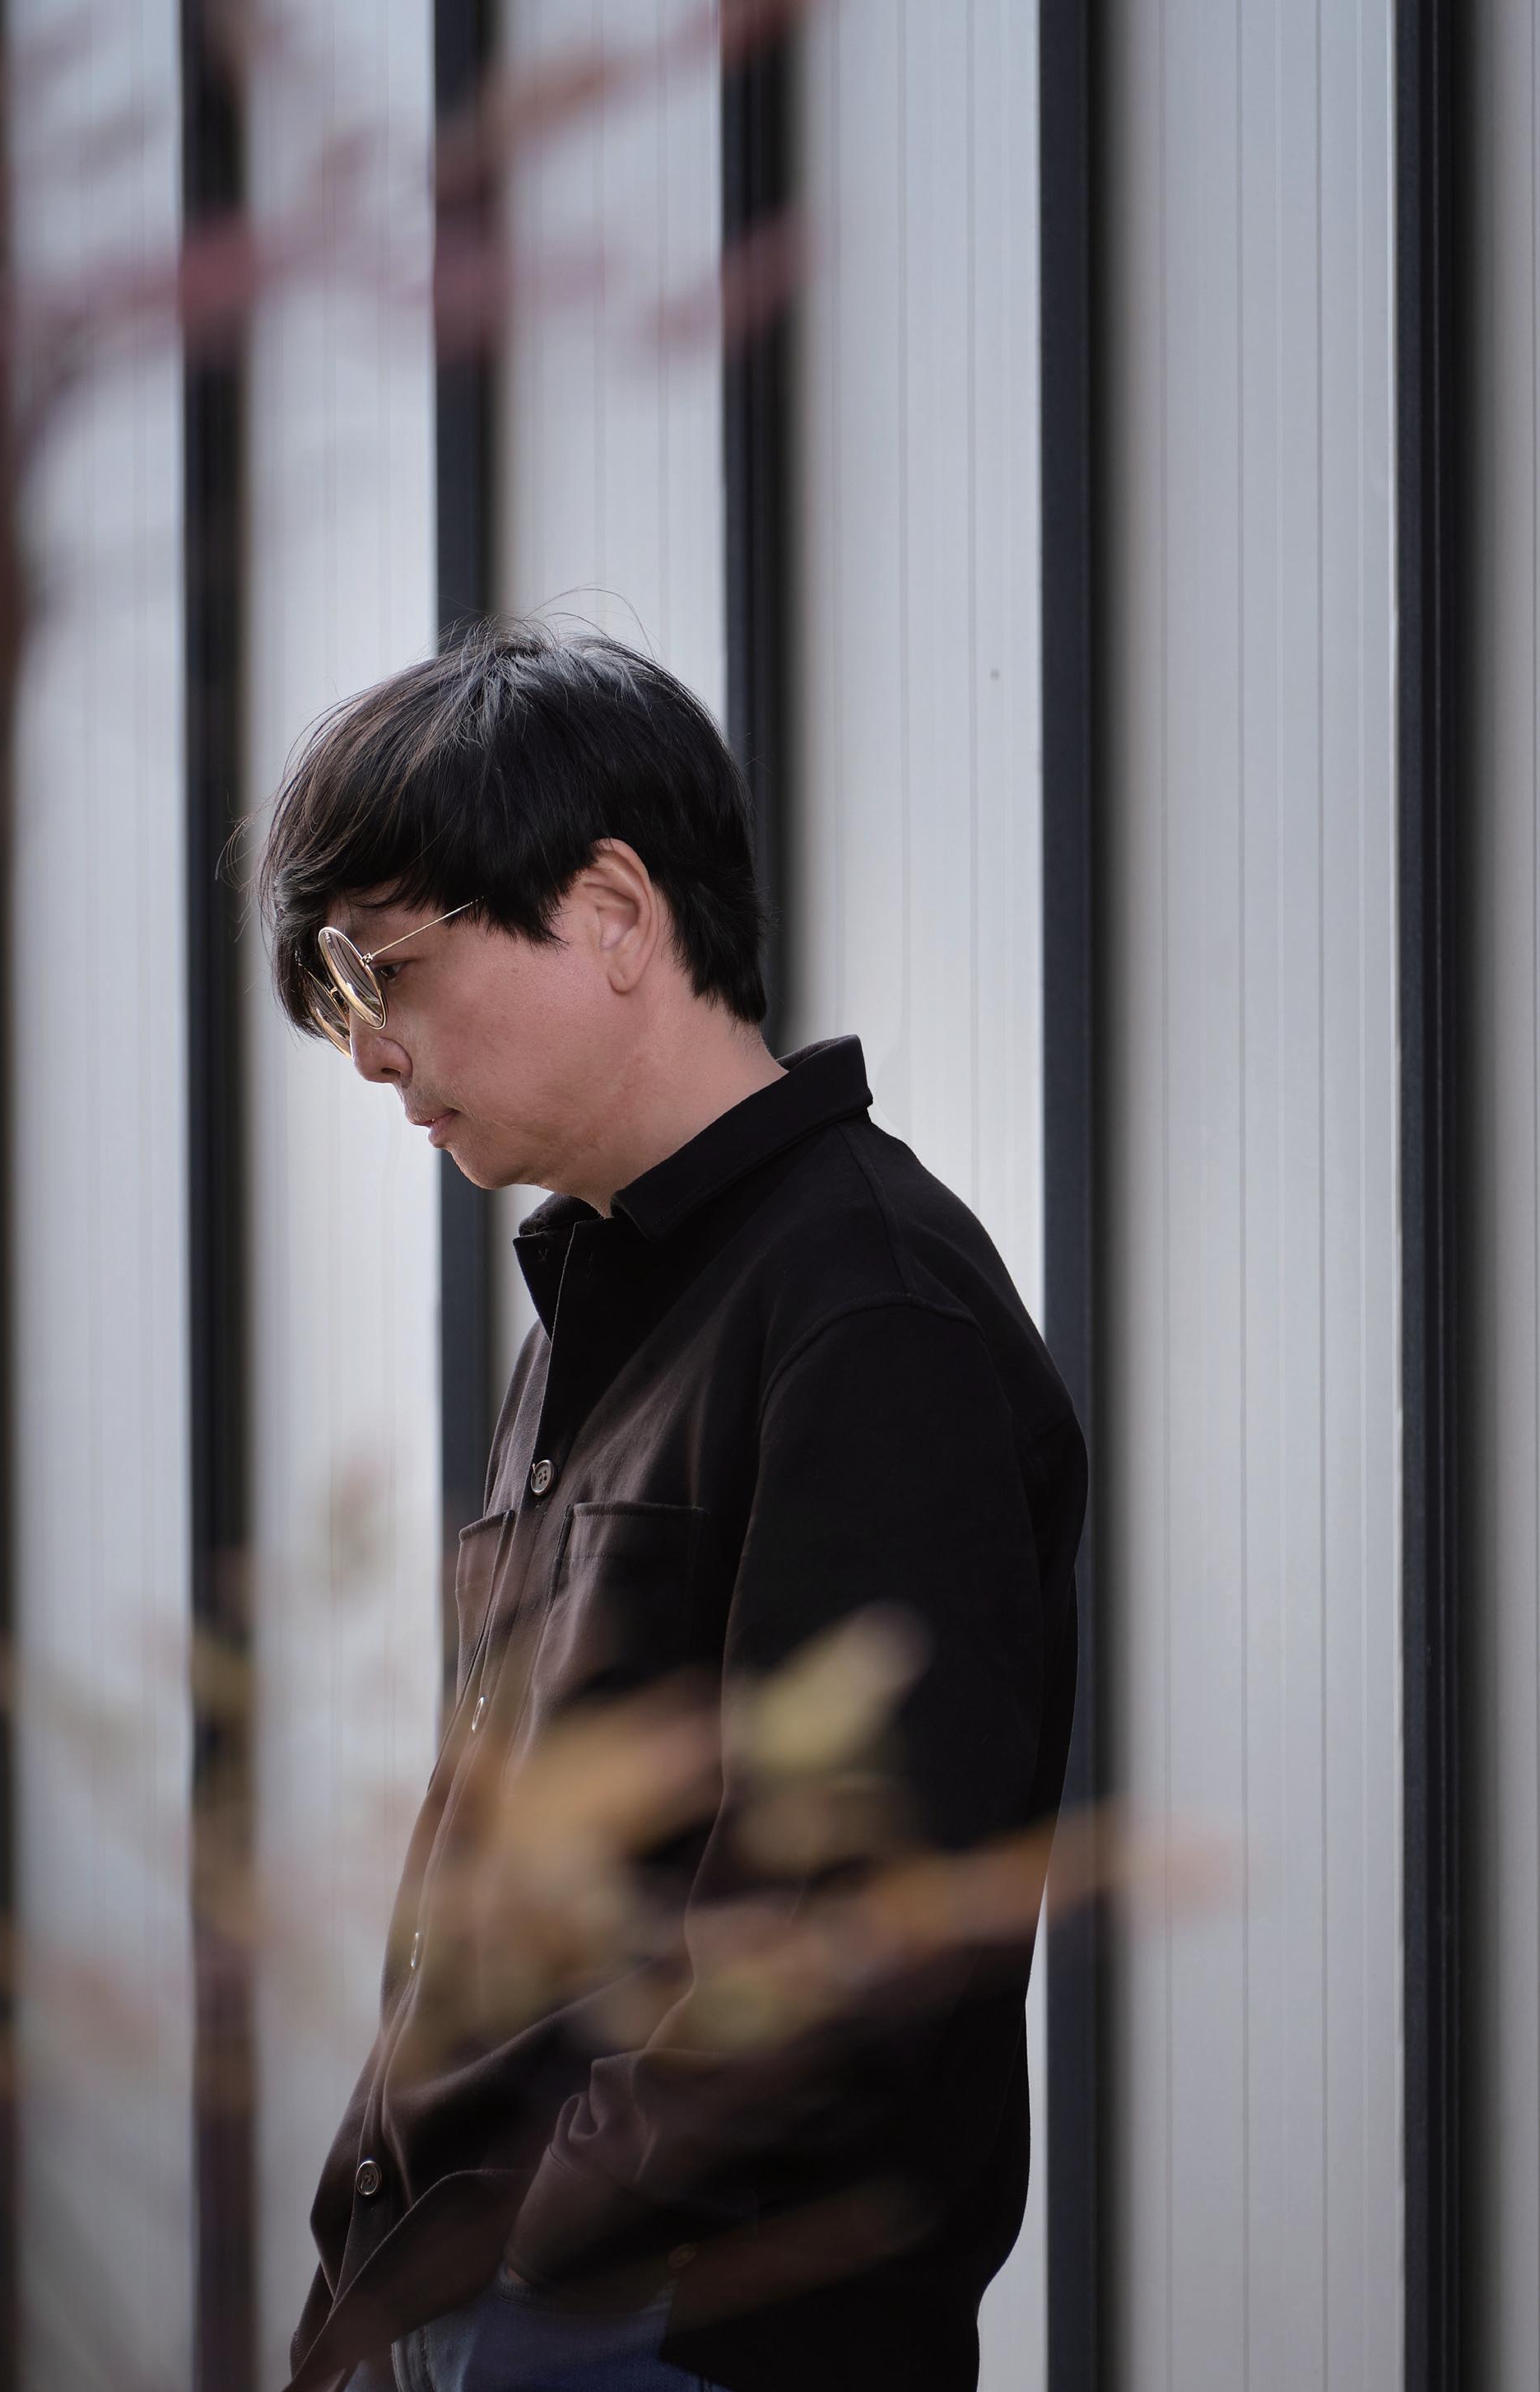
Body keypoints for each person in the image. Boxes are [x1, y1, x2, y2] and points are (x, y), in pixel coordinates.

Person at [256, 618, 1086, 2392]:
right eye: (337, 1004)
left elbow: (846, 1926)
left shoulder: (864, 1307)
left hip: (674, 2329)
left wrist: (551, 2252)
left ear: (612, 910)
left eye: (382, 972)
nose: (367, 1051)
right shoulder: (597, 1310)